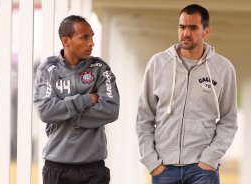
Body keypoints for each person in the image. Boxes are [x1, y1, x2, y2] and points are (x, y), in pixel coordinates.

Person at [136, 4, 237, 184]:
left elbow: (228, 120)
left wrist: (210, 158)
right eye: (182, 27)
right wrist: (151, 161)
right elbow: (144, 117)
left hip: (203, 170)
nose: (186, 33)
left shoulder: (223, 68)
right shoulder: (158, 64)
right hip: (164, 168)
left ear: (206, 31)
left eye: (193, 28)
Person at [33, 15, 120, 184]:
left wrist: (66, 114)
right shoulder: (48, 70)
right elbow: (45, 111)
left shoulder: (100, 69)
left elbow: (111, 109)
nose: (91, 43)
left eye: (92, 36)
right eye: (84, 37)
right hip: (57, 167)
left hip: (94, 168)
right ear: (66, 41)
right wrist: (87, 99)